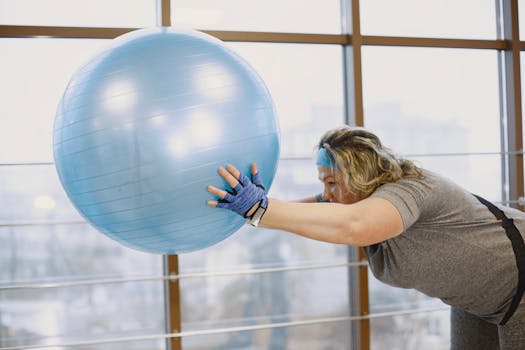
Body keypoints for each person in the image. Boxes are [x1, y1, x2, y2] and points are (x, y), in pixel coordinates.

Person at [207, 125, 525, 350]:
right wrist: (262, 206)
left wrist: (262, 210)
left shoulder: (412, 188)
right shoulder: (357, 197)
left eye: (331, 182)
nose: (325, 194)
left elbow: (355, 225)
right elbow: (314, 210)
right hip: (479, 301)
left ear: (358, 175)